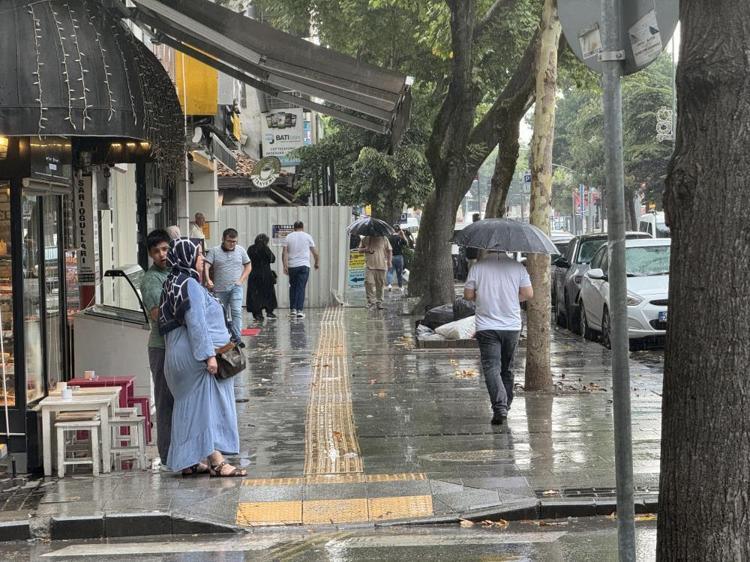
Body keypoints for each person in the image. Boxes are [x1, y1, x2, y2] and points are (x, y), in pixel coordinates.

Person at [158, 238, 246, 477]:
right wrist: (209, 356)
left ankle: (187, 461)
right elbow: (196, 323)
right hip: (192, 354)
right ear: (187, 257)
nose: (203, 259)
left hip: (176, 353)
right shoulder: (190, 284)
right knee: (205, 408)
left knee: (188, 409)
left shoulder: (173, 281)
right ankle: (217, 461)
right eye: (198, 255)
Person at [464, 252, 534, 425]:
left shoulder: (478, 267)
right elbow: (528, 293)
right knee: (507, 368)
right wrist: (511, 297)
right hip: (511, 326)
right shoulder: (517, 267)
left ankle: (500, 407)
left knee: (491, 367)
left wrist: (483, 296)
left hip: (486, 326)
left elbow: (468, 295)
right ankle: (505, 406)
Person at [140, 229, 174, 466]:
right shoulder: (151, 280)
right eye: (156, 251)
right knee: (165, 402)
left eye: (165, 249)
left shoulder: (176, 271)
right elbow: (157, 315)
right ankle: (168, 455)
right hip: (161, 347)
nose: (162, 254)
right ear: (151, 255)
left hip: (177, 346)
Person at [204, 228, 252, 337]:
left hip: (236, 287)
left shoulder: (240, 250)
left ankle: (237, 337)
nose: (232, 244)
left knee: (236, 311)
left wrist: (241, 280)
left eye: (234, 241)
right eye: (229, 241)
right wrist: (208, 279)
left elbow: (248, 266)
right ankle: (224, 336)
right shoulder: (214, 251)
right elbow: (206, 265)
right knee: (221, 313)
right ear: (223, 239)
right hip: (219, 289)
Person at [282, 221, 319, 319]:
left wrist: (285, 266)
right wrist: (316, 263)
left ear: (294, 228)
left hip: (292, 266)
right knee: (301, 287)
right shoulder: (307, 236)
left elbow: (284, 253)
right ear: (303, 227)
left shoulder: (288, 237)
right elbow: (315, 252)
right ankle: (300, 310)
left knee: (293, 287)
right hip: (304, 266)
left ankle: (293, 309)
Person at [246, 234, 278, 322]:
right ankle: (269, 311)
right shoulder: (266, 248)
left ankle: (258, 314)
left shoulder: (251, 248)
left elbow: (246, 260)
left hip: (254, 275)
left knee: (255, 295)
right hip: (266, 275)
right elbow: (272, 259)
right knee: (268, 294)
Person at [359, 235, 392, 310]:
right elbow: (359, 250)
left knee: (380, 285)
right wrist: (366, 249)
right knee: (368, 282)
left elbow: (389, 250)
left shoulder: (384, 238)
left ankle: (379, 302)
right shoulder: (365, 239)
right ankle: (371, 302)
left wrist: (389, 261)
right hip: (369, 266)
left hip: (381, 265)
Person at [387, 224, 409, 294]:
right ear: (399, 230)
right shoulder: (400, 238)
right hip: (399, 257)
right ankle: (400, 286)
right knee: (399, 273)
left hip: (391, 256)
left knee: (390, 271)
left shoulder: (389, 238)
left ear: (392, 230)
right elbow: (406, 243)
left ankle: (389, 285)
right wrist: (403, 234)